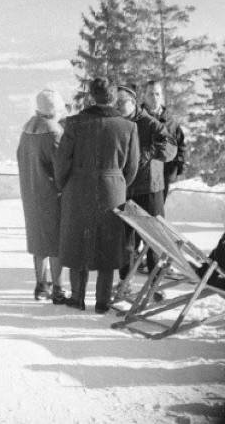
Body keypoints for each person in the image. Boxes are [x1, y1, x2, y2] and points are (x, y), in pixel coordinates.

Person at [54, 77, 139, 313]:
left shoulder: (73, 123)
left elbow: (62, 162)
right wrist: (117, 183)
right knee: (108, 244)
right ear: (114, 97)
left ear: (91, 96)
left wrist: (65, 185)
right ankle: (102, 301)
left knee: (78, 241)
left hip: (77, 187)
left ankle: (77, 297)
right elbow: (131, 168)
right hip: (113, 189)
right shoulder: (128, 127)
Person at [115, 83, 176, 277]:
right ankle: (124, 283)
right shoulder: (116, 121)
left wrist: (150, 152)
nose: (117, 105)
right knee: (125, 241)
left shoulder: (149, 123)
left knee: (155, 239)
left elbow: (171, 147)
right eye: (115, 102)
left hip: (150, 188)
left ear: (133, 102)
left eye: (121, 102)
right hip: (124, 189)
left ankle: (155, 282)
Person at [16, 89, 67, 304]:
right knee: (55, 242)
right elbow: (61, 169)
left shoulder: (27, 131)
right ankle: (58, 288)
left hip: (30, 193)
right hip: (51, 195)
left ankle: (40, 284)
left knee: (38, 239)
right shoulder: (54, 134)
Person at [141, 79, 187, 201]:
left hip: (164, 176)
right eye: (150, 94)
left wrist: (176, 170)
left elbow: (181, 146)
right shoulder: (136, 118)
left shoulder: (171, 121)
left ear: (162, 96)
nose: (154, 98)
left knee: (157, 215)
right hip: (140, 178)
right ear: (144, 96)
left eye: (157, 94)